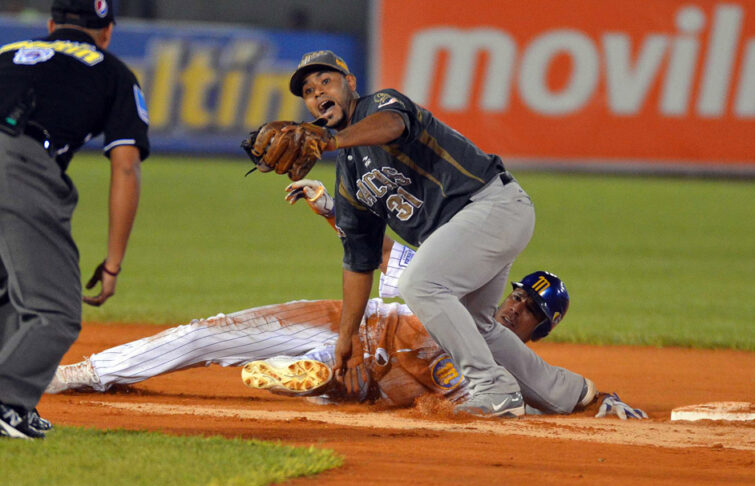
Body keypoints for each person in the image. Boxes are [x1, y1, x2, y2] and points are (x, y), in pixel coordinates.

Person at [45, 181, 646, 420]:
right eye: (520, 297)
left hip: (374, 375)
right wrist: (332, 206)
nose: (518, 309)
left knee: (416, 381)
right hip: (349, 323)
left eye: (532, 314)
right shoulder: (455, 275)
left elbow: (545, 387)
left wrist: (596, 400)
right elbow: (380, 253)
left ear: (538, 330)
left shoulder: (500, 353)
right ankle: (88, 373)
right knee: (210, 332)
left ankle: (318, 381)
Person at [286, 50, 554, 417]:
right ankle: (571, 393)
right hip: (467, 228)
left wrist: (331, 142)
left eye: (325, 81)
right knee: (476, 323)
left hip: (492, 205)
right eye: (308, 90)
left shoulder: (380, 105)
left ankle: (493, 388)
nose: (317, 92)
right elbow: (359, 261)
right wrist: (346, 338)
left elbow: (394, 124)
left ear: (349, 83)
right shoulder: (348, 174)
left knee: (422, 284)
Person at [0, 0, 149, 439]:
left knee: (8, 293)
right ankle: (6, 401)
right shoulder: (112, 70)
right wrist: (114, 262)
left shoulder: (7, 51)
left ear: (50, 25)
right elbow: (125, 166)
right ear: (106, 32)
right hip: (18, 162)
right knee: (54, 310)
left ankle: (16, 402)